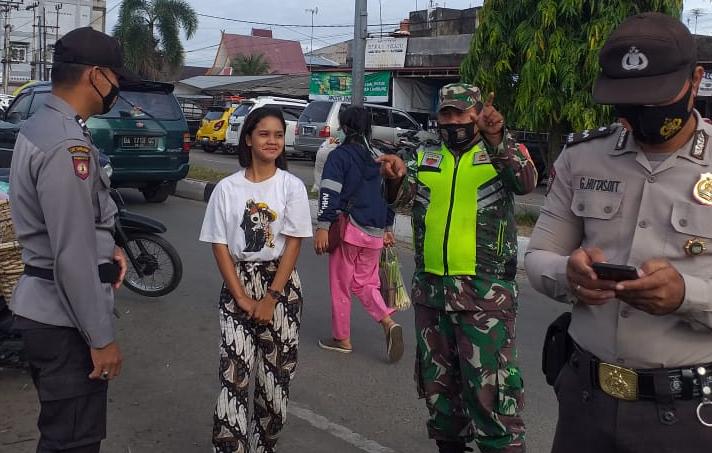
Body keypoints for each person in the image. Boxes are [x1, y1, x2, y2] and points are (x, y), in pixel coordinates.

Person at [525, 12, 712, 453]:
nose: (642, 114)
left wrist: (686, 296)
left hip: (689, 416)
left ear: (696, 80)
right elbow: (538, 256)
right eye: (629, 100)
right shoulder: (583, 157)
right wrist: (569, 276)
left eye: (655, 97)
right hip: (585, 403)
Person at [378, 84, 537, 453]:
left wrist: (498, 137)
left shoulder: (499, 152)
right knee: (441, 397)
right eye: (446, 114)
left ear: (478, 115)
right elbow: (403, 199)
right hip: (432, 295)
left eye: (462, 114)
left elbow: (526, 181)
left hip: (485, 297)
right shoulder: (425, 154)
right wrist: (396, 177)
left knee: (493, 399)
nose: (453, 121)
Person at [8, 27, 132, 453]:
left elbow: (73, 229)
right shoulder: (66, 145)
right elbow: (71, 253)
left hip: (48, 308)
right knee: (72, 442)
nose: (117, 87)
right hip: (64, 321)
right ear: (95, 75)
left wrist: (108, 248)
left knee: (65, 435)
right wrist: (101, 339)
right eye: (115, 77)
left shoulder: (45, 125)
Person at [199, 107, 312, 453]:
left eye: (278, 134)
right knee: (233, 381)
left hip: (280, 287)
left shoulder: (292, 187)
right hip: (238, 283)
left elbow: (293, 243)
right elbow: (219, 246)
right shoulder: (226, 189)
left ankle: (263, 447)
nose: (272, 141)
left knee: (274, 387)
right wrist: (243, 298)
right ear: (248, 138)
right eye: (264, 134)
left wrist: (270, 297)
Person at [313, 106, 403, 362]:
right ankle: (387, 321)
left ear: (344, 126)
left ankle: (342, 338)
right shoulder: (378, 157)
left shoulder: (339, 156)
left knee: (342, 285)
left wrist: (323, 226)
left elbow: (329, 191)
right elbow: (389, 196)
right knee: (365, 282)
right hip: (374, 232)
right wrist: (387, 227)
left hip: (349, 229)